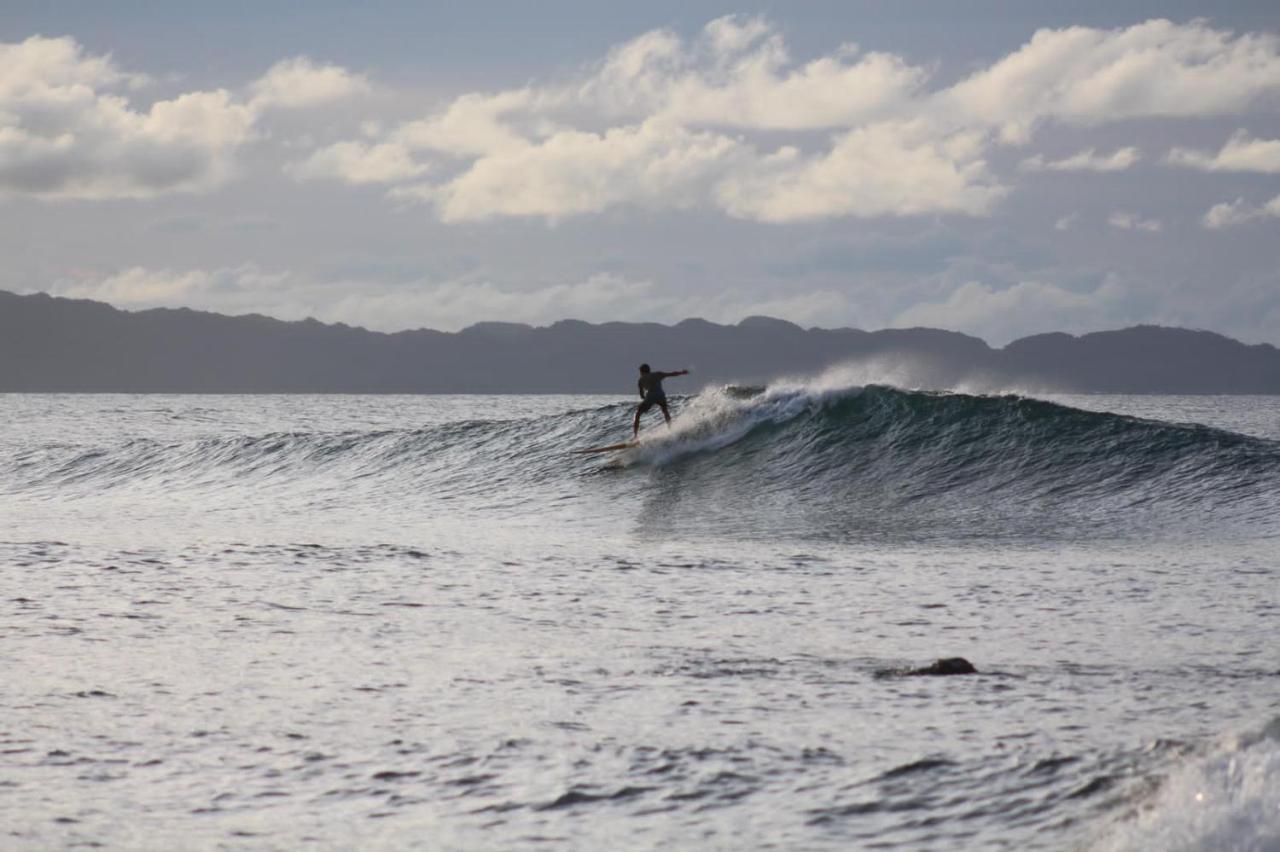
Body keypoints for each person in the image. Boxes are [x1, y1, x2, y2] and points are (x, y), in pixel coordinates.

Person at [633, 363, 688, 438]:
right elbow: (672, 374)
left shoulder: (640, 380)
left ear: (642, 372)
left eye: (640, 372)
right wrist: (682, 372)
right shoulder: (657, 374)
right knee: (665, 411)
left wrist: (644, 398)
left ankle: (635, 436)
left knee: (638, 414)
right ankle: (670, 429)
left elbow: (642, 395)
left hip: (651, 396)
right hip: (660, 395)